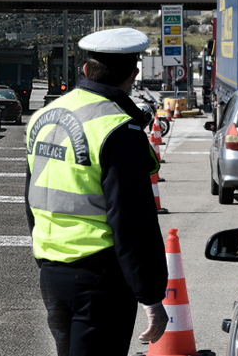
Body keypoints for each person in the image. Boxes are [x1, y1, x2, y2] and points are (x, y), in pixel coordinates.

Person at [25, 28, 169, 355]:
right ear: (134, 74)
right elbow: (131, 220)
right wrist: (151, 295)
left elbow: (31, 198)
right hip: (99, 277)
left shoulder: (44, 117)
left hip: (51, 270)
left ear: (86, 71)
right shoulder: (116, 128)